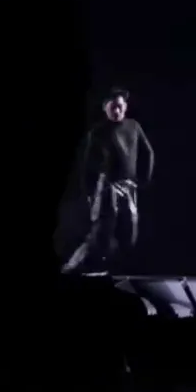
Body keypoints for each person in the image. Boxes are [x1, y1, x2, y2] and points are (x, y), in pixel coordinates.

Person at [62, 88, 155, 274]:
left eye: (120, 106)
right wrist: (89, 192)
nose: (117, 111)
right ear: (105, 108)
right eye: (113, 107)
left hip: (128, 187)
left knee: (129, 233)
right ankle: (74, 266)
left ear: (125, 106)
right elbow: (87, 165)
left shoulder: (133, 126)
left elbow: (148, 153)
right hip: (106, 188)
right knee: (101, 232)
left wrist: (144, 179)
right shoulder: (98, 133)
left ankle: (116, 268)